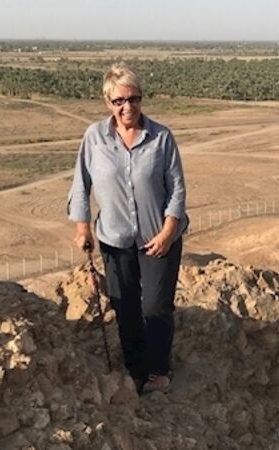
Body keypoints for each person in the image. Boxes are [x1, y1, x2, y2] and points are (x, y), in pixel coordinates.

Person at [67, 62, 188, 393]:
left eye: (133, 99)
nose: (127, 107)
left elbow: (177, 189)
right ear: (108, 102)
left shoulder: (161, 137)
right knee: (126, 307)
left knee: (155, 307)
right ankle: (136, 369)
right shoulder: (94, 138)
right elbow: (80, 185)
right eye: (119, 101)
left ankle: (159, 370)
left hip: (159, 237)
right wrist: (83, 229)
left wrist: (168, 232)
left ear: (141, 99)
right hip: (114, 239)